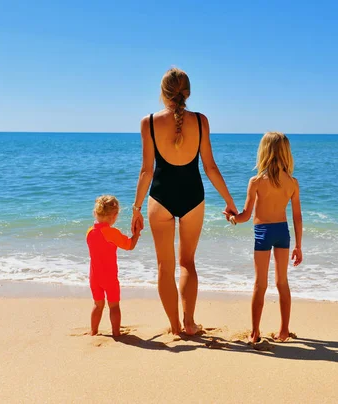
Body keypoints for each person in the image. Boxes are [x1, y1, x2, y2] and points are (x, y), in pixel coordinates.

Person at [131, 67, 237, 335]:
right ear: (188, 93)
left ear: (163, 92)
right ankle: (190, 323)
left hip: (160, 198)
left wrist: (136, 209)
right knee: (187, 263)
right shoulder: (201, 121)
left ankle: (175, 327)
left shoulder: (149, 122)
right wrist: (230, 201)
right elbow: (211, 167)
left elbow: (147, 171)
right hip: (193, 197)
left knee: (164, 267)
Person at [229, 132, 303, 343]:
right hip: (283, 232)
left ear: (264, 152)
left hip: (263, 234)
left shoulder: (256, 181)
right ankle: (284, 331)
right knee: (282, 283)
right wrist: (298, 245)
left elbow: (245, 215)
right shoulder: (292, 183)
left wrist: (232, 219)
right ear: (286, 153)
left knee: (260, 284)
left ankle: (254, 333)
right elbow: (297, 217)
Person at [86, 195, 141, 337]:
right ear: (115, 215)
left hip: (94, 276)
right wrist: (137, 233)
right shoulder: (111, 233)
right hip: (109, 277)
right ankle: (116, 333)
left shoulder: (90, 232)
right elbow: (129, 245)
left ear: (95, 213)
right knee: (114, 306)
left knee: (98, 305)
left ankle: (93, 331)